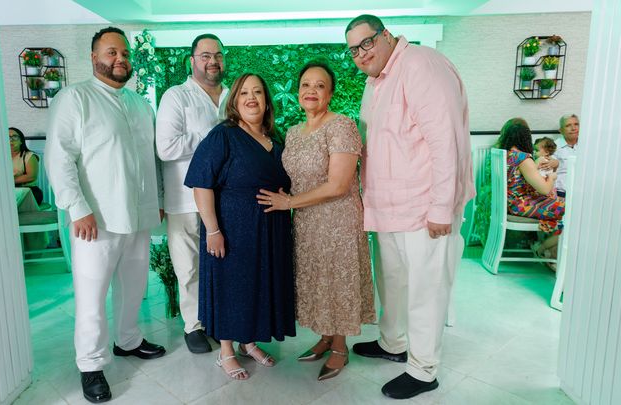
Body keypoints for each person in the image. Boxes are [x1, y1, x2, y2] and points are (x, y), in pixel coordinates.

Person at [345, 15, 475, 399]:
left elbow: (445, 140)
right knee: (394, 283)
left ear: (386, 35)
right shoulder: (376, 80)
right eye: (353, 50)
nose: (361, 54)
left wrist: (441, 208)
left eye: (367, 42)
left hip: (424, 207)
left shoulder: (420, 64)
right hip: (389, 206)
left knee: (425, 290)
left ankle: (423, 370)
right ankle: (393, 343)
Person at [44, 27, 166, 404]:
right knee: (92, 296)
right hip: (95, 219)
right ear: (94, 57)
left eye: (124, 53)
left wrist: (158, 199)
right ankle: (91, 365)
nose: (120, 59)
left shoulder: (140, 105)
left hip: (138, 214)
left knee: (134, 287)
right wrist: (76, 207)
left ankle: (127, 340)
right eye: (111, 52)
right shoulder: (74, 98)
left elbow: (152, 160)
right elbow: (59, 158)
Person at [256, 61, 374, 381]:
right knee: (319, 281)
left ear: (330, 93)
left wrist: (288, 203)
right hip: (306, 221)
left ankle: (340, 347)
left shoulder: (342, 126)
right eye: (306, 85)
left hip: (338, 220)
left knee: (337, 282)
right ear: (298, 91)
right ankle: (325, 337)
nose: (312, 91)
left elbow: (338, 185)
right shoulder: (293, 133)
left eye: (320, 86)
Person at [184, 73, 296, 380]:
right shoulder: (224, 135)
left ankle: (249, 342)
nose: (251, 98)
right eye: (244, 93)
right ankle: (226, 351)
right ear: (234, 100)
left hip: (270, 230)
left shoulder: (276, 139)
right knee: (231, 287)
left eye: (258, 92)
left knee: (256, 286)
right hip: (232, 228)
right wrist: (213, 231)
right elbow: (201, 184)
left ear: (267, 101)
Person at [155, 33, 229, 354]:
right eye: (205, 56)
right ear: (192, 60)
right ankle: (193, 325)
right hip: (185, 199)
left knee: (221, 262)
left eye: (218, 55)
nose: (213, 61)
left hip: (225, 197)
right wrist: (213, 137)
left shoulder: (231, 95)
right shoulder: (176, 97)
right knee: (188, 266)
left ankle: (217, 319)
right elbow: (166, 147)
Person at [497, 119, 565, 260]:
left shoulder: (506, 154)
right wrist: (552, 177)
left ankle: (548, 249)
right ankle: (542, 249)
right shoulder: (523, 158)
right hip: (521, 205)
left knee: (561, 205)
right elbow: (545, 190)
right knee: (571, 211)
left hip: (510, 203)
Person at [9, 127, 43, 205]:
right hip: (9, 189)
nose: (11, 140)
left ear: (21, 141)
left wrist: (9, 181)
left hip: (28, 190)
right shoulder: (1, 157)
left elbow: (31, 176)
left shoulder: (29, 156)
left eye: (14, 137)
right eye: (8, 137)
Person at [552, 114, 580, 197]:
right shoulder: (553, 147)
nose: (573, 128)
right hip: (562, 194)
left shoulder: (587, 145)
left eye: (576, 124)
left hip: (584, 192)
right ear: (561, 130)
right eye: (568, 125)